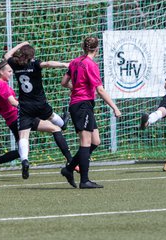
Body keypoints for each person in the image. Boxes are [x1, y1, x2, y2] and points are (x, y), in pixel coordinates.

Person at [0, 59, 71, 179]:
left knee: (22, 149)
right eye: (9, 71)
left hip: (14, 118)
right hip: (17, 117)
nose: (11, 73)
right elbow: (13, 103)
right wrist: (29, 106)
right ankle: (70, 159)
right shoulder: (0, 85)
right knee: (54, 128)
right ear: (1, 72)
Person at [3, 42, 72, 179]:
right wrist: (64, 64)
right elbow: (48, 64)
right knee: (51, 116)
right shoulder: (34, 64)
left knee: (23, 136)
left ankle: (25, 161)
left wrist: (20, 44)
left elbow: (7, 55)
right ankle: (63, 124)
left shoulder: (16, 64)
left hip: (25, 106)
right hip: (40, 103)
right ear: (32, 56)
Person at [60, 36, 121, 189]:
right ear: (97, 49)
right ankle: (84, 180)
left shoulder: (75, 62)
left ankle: (69, 168)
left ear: (84, 47)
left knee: (95, 141)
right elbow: (100, 89)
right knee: (85, 142)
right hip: (82, 106)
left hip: (81, 105)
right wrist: (114, 107)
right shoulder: (90, 65)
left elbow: (63, 83)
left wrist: (74, 88)